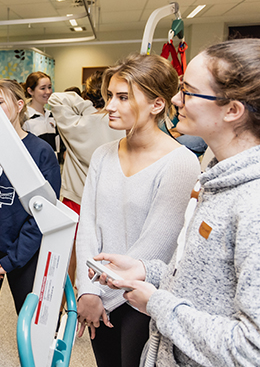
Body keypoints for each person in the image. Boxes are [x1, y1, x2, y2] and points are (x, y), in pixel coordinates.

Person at [91, 39, 260, 366]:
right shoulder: (217, 180)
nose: (176, 99)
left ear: (232, 110)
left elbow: (251, 348)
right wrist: (146, 270)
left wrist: (156, 301)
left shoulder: (251, 203)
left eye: (189, 92)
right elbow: (198, 277)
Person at [75, 55, 201, 367]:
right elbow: (88, 226)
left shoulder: (181, 162)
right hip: (97, 290)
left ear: (157, 104)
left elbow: (157, 243)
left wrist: (103, 295)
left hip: (142, 298)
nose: (110, 107)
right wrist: (87, 292)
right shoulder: (103, 155)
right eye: (109, 97)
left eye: (122, 97)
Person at [0, 79, 61, 367]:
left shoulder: (40, 152)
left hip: (25, 251)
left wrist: (13, 259)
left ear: (19, 105)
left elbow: (44, 213)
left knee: (31, 321)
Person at [48, 71, 125, 283]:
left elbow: (56, 98)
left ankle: (63, 309)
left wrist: (86, 108)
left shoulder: (76, 124)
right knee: (102, 254)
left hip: (76, 199)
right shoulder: (123, 125)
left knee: (69, 258)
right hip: (108, 200)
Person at [23, 71, 63, 160]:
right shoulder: (25, 118)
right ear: (30, 91)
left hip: (53, 167)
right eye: (43, 88)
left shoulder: (52, 116)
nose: (48, 92)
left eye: (49, 87)